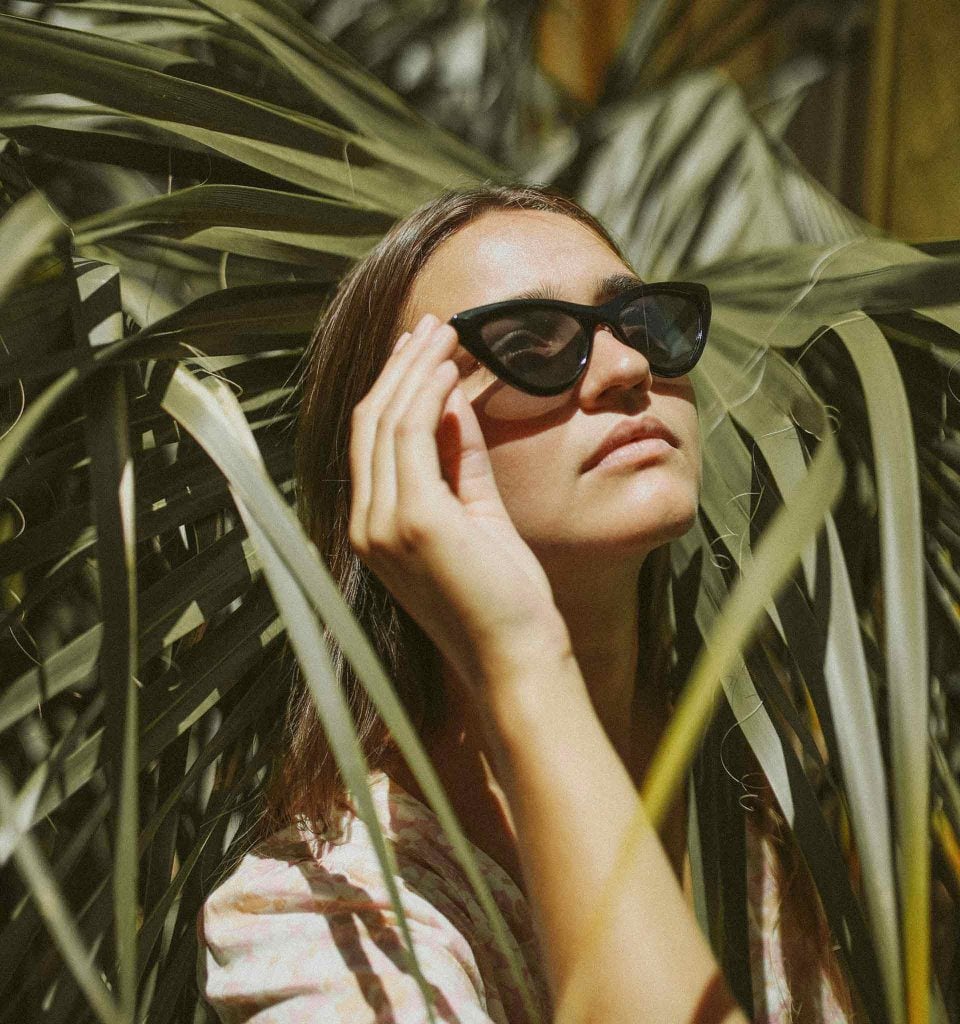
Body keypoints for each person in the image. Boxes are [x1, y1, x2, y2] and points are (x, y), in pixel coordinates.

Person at [198, 184, 858, 1023]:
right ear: (401, 447)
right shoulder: (332, 923)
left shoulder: (770, 802)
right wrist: (521, 661)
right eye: (529, 346)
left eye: (643, 321)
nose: (628, 369)